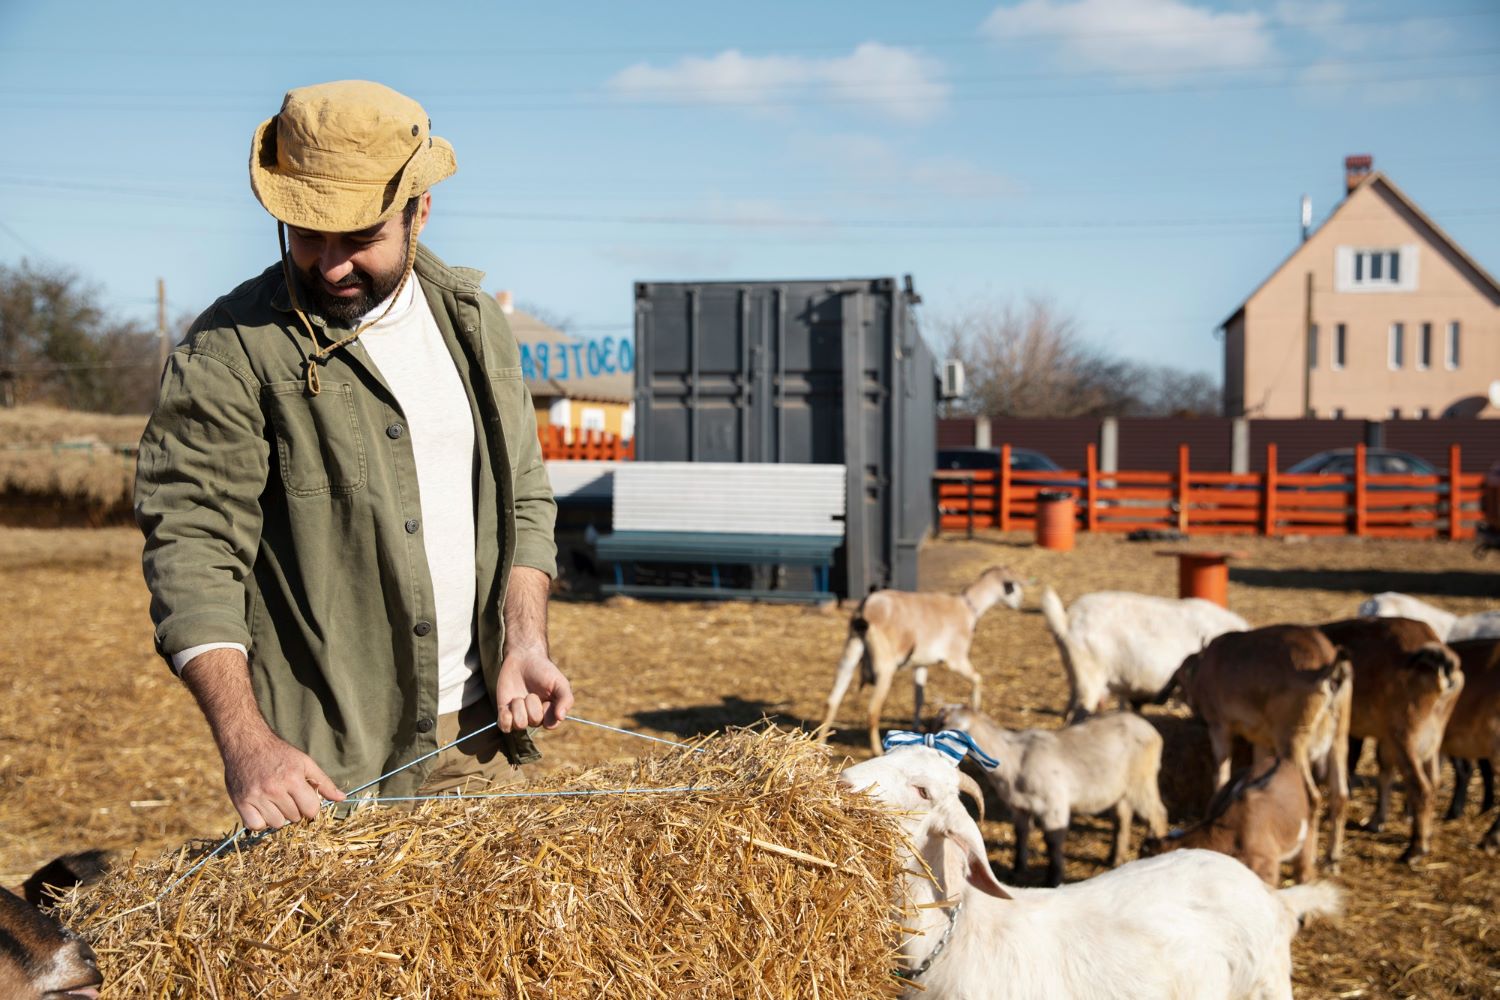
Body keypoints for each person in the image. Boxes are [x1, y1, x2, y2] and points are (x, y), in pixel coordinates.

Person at [135, 80, 572, 833]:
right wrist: (247, 745)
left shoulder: (476, 325)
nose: (332, 266)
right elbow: (192, 548)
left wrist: (524, 637)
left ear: (420, 210)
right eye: (307, 235)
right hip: (321, 776)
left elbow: (525, 499)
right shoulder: (229, 350)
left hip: (475, 742)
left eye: (360, 237)